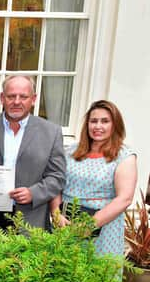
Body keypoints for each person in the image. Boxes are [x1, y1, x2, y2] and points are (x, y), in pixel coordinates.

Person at [0, 75, 66, 245]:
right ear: (2, 98)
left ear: (33, 99)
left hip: (29, 221)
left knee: (24, 271)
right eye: (11, 96)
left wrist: (34, 193)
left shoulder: (51, 132)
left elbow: (57, 176)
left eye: (23, 96)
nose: (16, 101)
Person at [50, 100, 137, 256]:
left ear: (115, 124)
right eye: (93, 121)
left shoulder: (124, 156)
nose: (98, 126)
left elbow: (124, 198)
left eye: (105, 121)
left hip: (103, 228)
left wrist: (89, 225)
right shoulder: (70, 151)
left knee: (97, 275)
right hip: (65, 224)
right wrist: (56, 213)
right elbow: (56, 183)